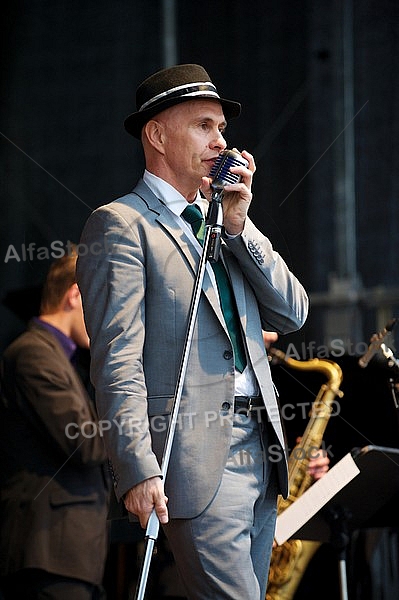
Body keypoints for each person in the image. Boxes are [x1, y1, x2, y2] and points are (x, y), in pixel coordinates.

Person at [76, 63, 309, 600]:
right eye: (204, 125)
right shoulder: (120, 224)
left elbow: (293, 313)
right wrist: (137, 467)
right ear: (156, 135)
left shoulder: (222, 221)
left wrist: (239, 224)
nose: (220, 141)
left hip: (263, 451)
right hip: (197, 457)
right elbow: (117, 358)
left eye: (222, 128)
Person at [0, 249, 110, 600]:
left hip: (67, 555)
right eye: (103, 303)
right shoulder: (33, 353)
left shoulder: (61, 360)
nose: (107, 319)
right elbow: (86, 444)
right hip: (48, 553)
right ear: (76, 295)